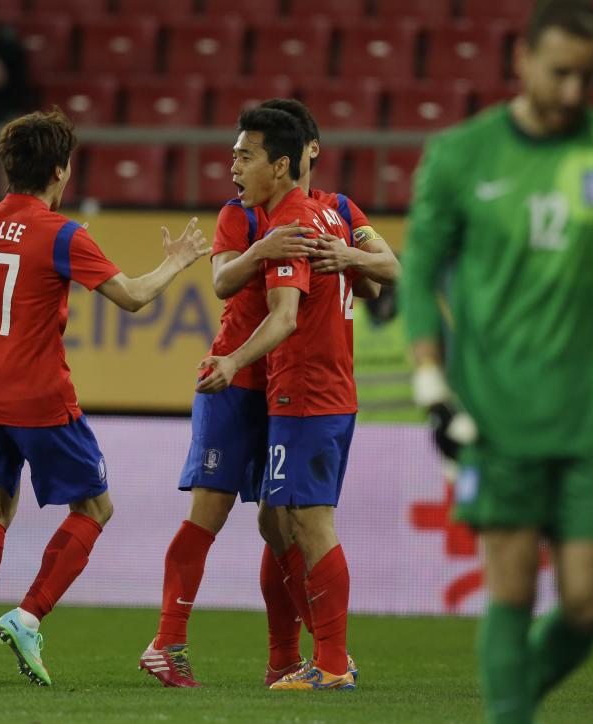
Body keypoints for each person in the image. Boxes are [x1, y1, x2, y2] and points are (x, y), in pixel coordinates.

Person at [401, 1, 593, 722]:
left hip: (586, 419)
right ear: (522, 61)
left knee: (589, 605)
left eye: (586, 77)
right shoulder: (462, 154)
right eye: (558, 73)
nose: (570, 92)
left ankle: (509, 706)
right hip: (494, 416)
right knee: (513, 586)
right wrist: (430, 380)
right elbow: (420, 270)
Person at [138, 99, 398, 689]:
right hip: (243, 382)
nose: (232, 166)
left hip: (287, 385)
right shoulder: (248, 215)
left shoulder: (327, 213)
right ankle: (177, 642)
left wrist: (348, 259)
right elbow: (223, 281)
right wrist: (265, 251)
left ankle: (314, 657)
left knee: (290, 521)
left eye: (244, 155)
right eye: (233, 154)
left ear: (298, 156)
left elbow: (384, 277)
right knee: (250, 517)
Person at [0, 109, 209, 687]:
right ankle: (27, 616)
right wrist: (178, 261)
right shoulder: (62, 232)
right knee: (95, 508)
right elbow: (134, 297)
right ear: (60, 170)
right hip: (39, 393)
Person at [194, 107, 361, 692]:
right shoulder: (329, 214)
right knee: (274, 516)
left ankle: (333, 663)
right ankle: (301, 655)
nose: (234, 166)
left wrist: (235, 360)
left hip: (308, 389)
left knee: (311, 522)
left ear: (282, 163)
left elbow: (285, 316)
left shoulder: (291, 220)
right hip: (324, 388)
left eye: (246, 156)